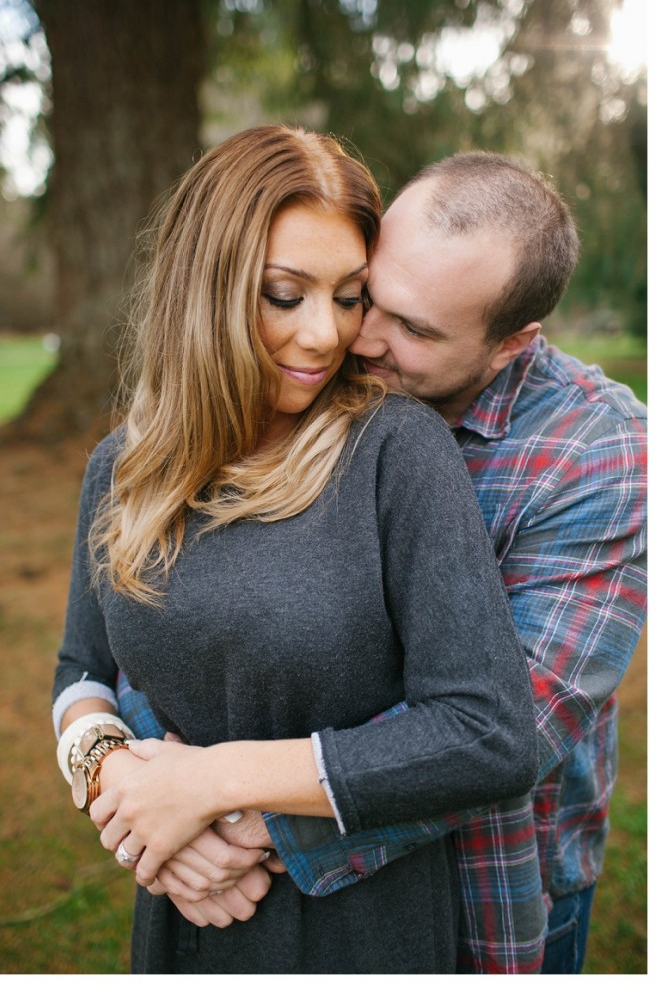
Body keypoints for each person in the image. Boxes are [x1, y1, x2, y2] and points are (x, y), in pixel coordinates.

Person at [119, 150, 647, 974]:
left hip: (494, 877)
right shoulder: (324, 382)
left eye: (416, 329)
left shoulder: (597, 457)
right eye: (370, 294)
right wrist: (138, 774)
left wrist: (219, 810)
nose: (352, 337)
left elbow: (509, 732)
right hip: (262, 894)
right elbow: (195, 615)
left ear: (512, 344)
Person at [52, 127, 539, 974]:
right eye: (285, 294)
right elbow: (79, 671)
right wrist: (124, 799)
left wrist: (211, 784)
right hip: (185, 918)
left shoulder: (398, 453)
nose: (326, 335)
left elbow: (488, 734)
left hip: (360, 923)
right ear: (204, 290)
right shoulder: (124, 467)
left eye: (350, 296)